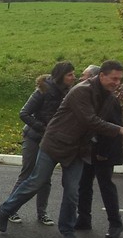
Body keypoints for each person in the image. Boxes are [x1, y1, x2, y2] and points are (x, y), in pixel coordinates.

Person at [0, 60, 123, 238]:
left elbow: (100, 125)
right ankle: (6, 210)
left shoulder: (110, 98)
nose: (117, 83)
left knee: (72, 191)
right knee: (36, 182)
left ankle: (67, 230)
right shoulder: (81, 91)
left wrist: (108, 147)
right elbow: (89, 120)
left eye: (119, 79)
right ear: (102, 76)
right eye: (114, 79)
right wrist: (121, 130)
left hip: (78, 149)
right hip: (55, 143)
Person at [9, 61, 76, 225]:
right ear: (61, 76)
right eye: (70, 75)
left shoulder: (69, 92)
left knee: (45, 177)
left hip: (51, 141)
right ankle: (10, 209)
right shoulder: (43, 90)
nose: (74, 77)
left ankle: (42, 213)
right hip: (34, 137)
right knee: (27, 173)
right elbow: (24, 113)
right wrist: (43, 128)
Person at [74, 66, 123, 238]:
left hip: (103, 151)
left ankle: (115, 224)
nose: (81, 79)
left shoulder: (111, 100)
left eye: (85, 76)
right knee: (84, 185)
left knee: (106, 187)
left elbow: (115, 129)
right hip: (88, 150)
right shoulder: (89, 96)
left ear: (96, 77)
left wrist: (104, 152)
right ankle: (84, 219)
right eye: (115, 79)